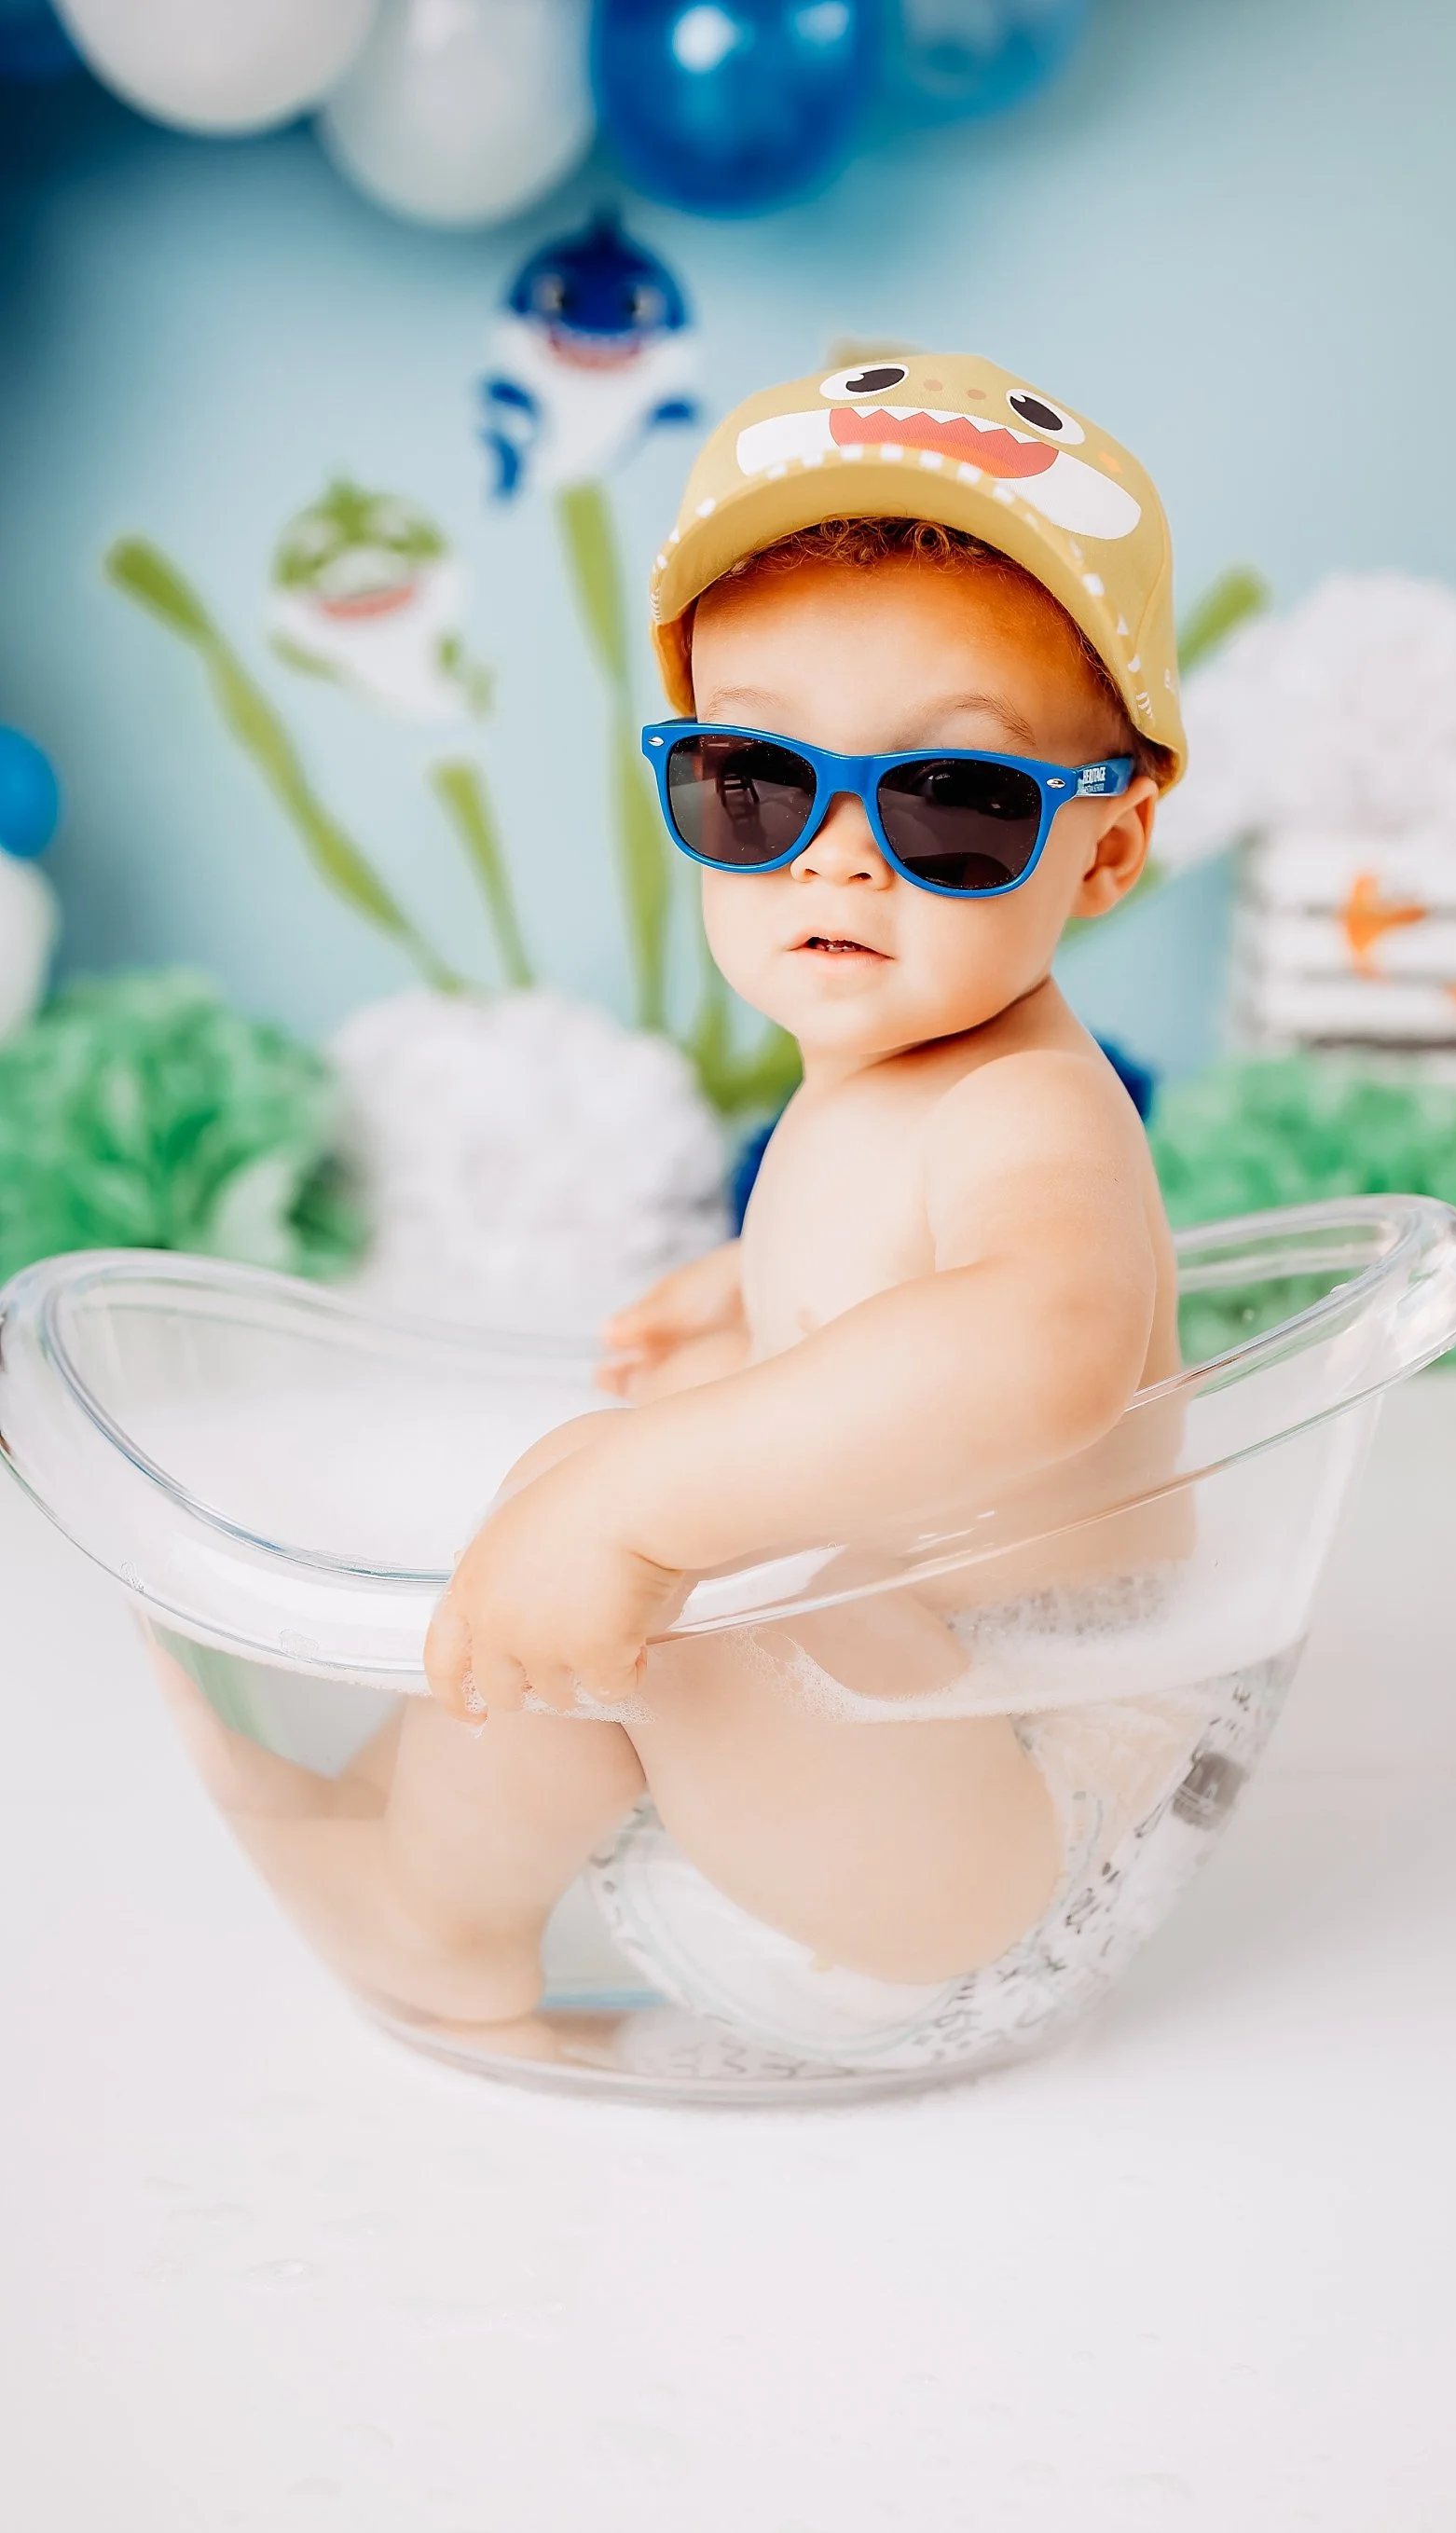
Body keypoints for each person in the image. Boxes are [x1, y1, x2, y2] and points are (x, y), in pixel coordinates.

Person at [161, 352, 1202, 2057]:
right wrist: (755, 1296)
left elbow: (1042, 1341)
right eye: (759, 786)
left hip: (1029, 1808)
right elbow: (911, 1298)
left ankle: (437, 1918)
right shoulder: (904, 1075)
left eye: (956, 804)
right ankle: (395, 1815)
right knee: (607, 1493)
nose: (838, 858)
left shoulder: (1031, 1104)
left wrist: (647, 1503)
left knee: (644, 1538)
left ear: (1101, 849)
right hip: (917, 1728)